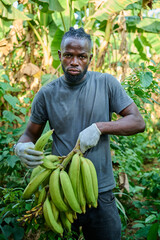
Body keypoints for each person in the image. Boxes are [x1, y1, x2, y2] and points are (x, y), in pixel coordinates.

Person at [14, 27, 145, 240]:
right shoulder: (47, 94)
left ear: (90, 58)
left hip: (100, 191)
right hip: (61, 190)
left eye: (81, 56)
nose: (74, 61)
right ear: (60, 55)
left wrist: (100, 127)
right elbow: (30, 134)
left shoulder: (106, 83)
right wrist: (21, 146)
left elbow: (138, 122)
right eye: (68, 55)